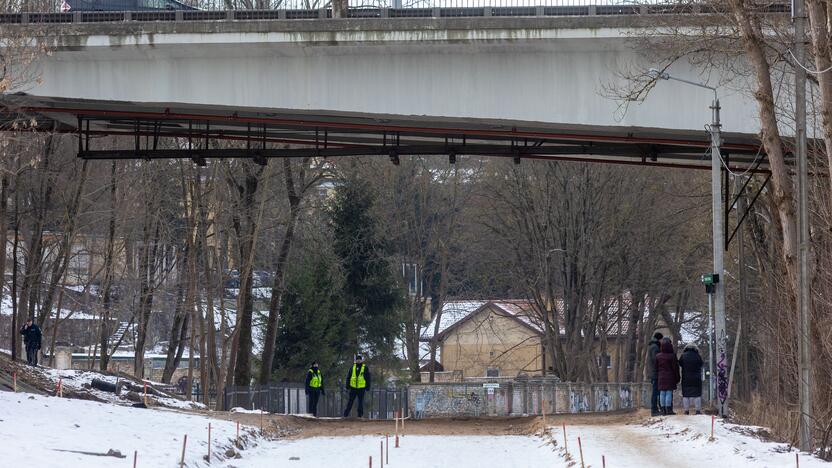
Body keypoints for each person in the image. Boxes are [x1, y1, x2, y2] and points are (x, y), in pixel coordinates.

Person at [654, 337, 680, 415]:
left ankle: (662, 410)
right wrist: (677, 377)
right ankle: (668, 409)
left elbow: (655, 367)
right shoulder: (672, 356)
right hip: (670, 377)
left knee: (662, 393)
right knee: (668, 392)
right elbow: (675, 368)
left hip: (661, 376)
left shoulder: (658, 356)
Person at [678, 343, 704, 415]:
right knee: (697, 394)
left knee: (686, 394)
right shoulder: (698, 356)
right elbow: (701, 364)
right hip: (696, 378)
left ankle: (686, 411)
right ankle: (698, 410)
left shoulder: (683, 355)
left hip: (686, 378)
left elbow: (680, 363)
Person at [647, 332, 663, 416]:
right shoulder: (655, 347)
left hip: (653, 372)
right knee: (655, 391)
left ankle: (655, 409)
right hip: (655, 373)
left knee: (655, 391)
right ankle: (654, 409)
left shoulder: (652, 346)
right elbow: (656, 360)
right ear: (659, 339)